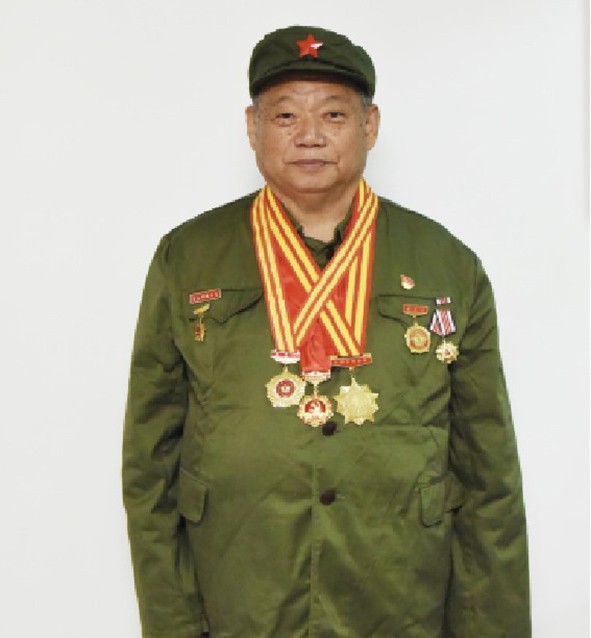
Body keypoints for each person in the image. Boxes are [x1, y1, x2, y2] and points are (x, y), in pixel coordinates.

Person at [122, 25, 531, 638]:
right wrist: (174, 623)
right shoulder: (188, 257)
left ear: (370, 126)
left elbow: (487, 472)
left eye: (333, 114)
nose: (309, 135)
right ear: (253, 128)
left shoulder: (446, 262)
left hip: (399, 593)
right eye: (285, 115)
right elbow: (149, 463)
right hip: (242, 590)